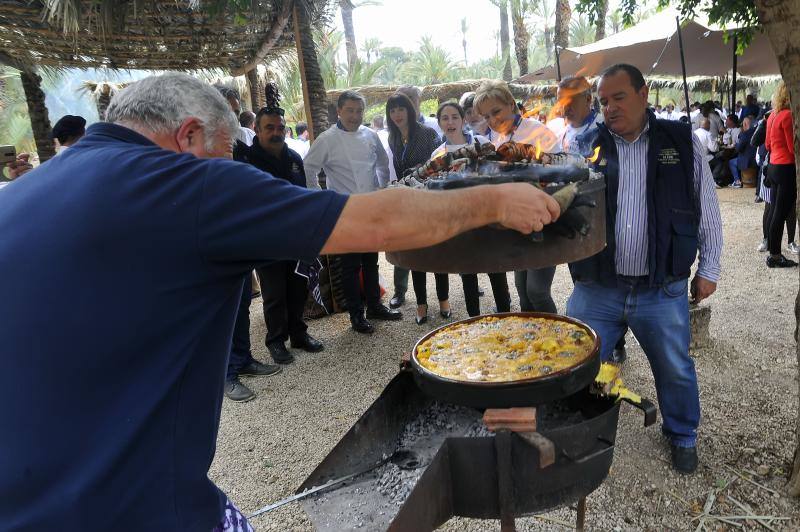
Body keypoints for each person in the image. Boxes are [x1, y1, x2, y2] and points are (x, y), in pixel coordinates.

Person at [0, 73, 561, 530]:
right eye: (225, 156)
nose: (230, 169)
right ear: (188, 136)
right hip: (126, 509)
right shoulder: (183, 183)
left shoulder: (23, 196)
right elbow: (377, 220)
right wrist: (495, 200)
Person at [567, 64, 723, 475]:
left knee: (674, 366)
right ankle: (574, 429)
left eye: (619, 97)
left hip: (662, 288)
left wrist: (709, 267)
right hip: (599, 285)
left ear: (643, 94)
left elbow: (707, 208)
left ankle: (682, 433)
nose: (610, 107)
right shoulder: (586, 146)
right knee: (574, 359)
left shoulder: (681, 143)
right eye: (603, 101)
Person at [304, 90, 402, 333]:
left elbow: (381, 162)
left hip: (369, 206)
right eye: (350, 110)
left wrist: (380, 188)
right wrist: (321, 197)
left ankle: (375, 306)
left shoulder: (370, 135)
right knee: (350, 266)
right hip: (345, 209)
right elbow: (309, 168)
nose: (355, 116)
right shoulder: (327, 139)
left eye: (359, 111)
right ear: (339, 111)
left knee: (371, 262)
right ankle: (356, 315)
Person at [249, 107, 324, 365]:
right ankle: (276, 341)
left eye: (280, 128)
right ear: (257, 130)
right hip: (265, 238)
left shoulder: (293, 157)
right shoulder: (247, 159)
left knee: (297, 287)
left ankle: (298, 334)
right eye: (269, 128)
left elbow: (301, 194)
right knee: (273, 293)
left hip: (294, 235)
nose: (276, 133)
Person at [433, 101, 511, 317]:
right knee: (468, 272)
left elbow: (498, 174)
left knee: (496, 270)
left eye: (455, 117)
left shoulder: (482, 142)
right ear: (439, 123)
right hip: (460, 221)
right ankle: (473, 319)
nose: (450, 122)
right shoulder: (438, 156)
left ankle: (505, 315)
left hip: (488, 217)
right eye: (445, 118)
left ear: (463, 119)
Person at [385, 92, 446, 323]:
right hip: (406, 199)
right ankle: (411, 299)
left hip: (427, 198)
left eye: (401, 109)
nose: (397, 114)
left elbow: (438, 164)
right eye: (392, 110)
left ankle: (443, 301)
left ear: (410, 110)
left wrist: (419, 171)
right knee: (409, 248)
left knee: (434, 249)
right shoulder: (393, 137)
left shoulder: (427, 133)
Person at [764, 81, 797, 267]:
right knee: (780, 214)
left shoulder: (772, 116)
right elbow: (793, 149)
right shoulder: (788, 116)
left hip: (773, 166)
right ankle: (775, 256)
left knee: (773, 211)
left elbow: (767, 145)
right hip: (786, 168)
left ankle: (772, 251)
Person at [474, 80, 559, 152]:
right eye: (486, 117)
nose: (493, 121)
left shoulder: (538, 131)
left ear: (511, 104)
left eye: (496, 112)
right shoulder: (491, 139)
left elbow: (563, 167)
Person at [729, 115, 757, 189]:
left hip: (747, 161)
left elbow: (738, 149)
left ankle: (737, 181)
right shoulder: (757, 131)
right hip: (756, 159)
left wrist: (736, 144)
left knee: (731, 162)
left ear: (745, 124)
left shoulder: (744, 134)